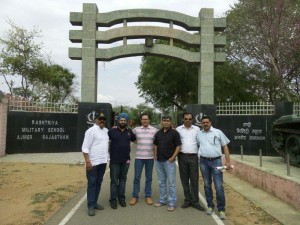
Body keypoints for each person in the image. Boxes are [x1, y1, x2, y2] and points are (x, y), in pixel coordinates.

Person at [197, 115, 231, 220]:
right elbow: (199, 146)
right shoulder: (199, 134)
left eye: (207, 122)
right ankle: (210, 206)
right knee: (207, 185)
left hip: (217, 162)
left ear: (210, 122)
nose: (205, 124)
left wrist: (228, 161)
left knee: (219, 186)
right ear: (201, 124)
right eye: (203, 122)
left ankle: (221, 209)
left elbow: (225, 146)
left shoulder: (218, 132)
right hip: (203, 162)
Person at [176, 112, 205, 211]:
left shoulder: (197, 129)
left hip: (193, 157)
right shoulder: (178, 129)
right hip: (182, 156)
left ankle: (195, 201)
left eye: (189, 119)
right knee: (184, 179)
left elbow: (201, 142)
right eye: (186, 119)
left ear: (192, 120)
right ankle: (187, 200)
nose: (188, 120)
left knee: (194, 179)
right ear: (183, 119)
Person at [82, 112, 109, 216]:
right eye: (100, 118)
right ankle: (90, 206)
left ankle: (95, 202)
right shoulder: (90, 131)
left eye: (103, 119)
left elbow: (106, 146)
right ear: (95, 119)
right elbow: (85, 147)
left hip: (102, 162)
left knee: (98, 182)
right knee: (92, 183)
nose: (102, 120)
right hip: (92, 163)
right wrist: (87, 161)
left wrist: (107, 159)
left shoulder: (106, 131)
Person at [108, 112, 136, 209]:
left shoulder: (130, 131)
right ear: (118, 121)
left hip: (126, 160)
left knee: (123, 180)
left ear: (126, 121)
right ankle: (113, 200)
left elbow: (135, 140)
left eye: (124, 120)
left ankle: (121, 199)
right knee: (114, 181)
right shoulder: (112, 131)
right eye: (121, 120)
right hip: (114, 160)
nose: (123, 122)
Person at [153, 115, 181, 212]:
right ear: (161, 122)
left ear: (170, 122)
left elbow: (178, 146)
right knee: (161, 182)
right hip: (159, 161)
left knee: (171, 183)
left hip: (169, 161)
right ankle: (162, 200)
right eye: (164, 120)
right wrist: (155, 156)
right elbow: (155, 145)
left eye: (167, 121)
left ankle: (172, 202)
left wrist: (173, 157)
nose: (165, 122)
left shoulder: (174, 133)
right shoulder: (158, 133)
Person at [129, 113, 157, 206]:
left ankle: (148, 196)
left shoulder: (154, 130)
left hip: (150, 158)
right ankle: (135, 196)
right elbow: (129, 135)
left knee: (149, 178)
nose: (145, 121)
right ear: (141, 120)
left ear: (149, 120)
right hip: (139, 158)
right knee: (137, 178)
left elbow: (157, 142)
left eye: (146, 119)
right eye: (143, 119)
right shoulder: (136, 130)